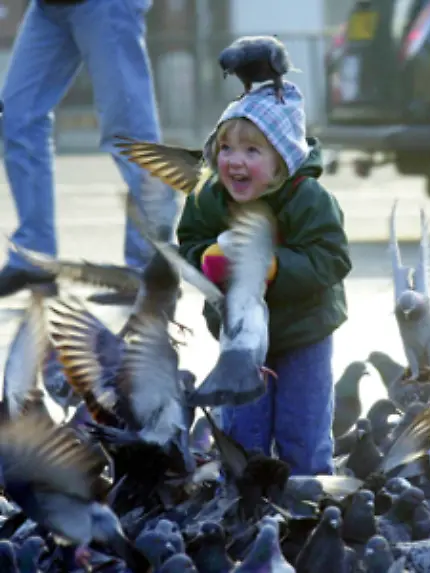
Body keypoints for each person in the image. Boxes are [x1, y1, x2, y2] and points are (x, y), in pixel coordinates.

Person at [176, 81, 352, 476]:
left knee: (302, 428)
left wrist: (274, 267)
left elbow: (332, 257)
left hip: (303, 330)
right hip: (241, 335)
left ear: (282, 159)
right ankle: (244, 500)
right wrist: (206, 258)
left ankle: (307, 497)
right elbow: (189, 240)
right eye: (226, 148)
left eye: (251, 150)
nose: (234, 160)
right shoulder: (209, 196)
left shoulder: (308, 198)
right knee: (243, 428)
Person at [0, 0, 177, 302]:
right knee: (18, 118)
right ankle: (34, 256)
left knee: (128, 126)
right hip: (48, 7)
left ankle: (152, 263)